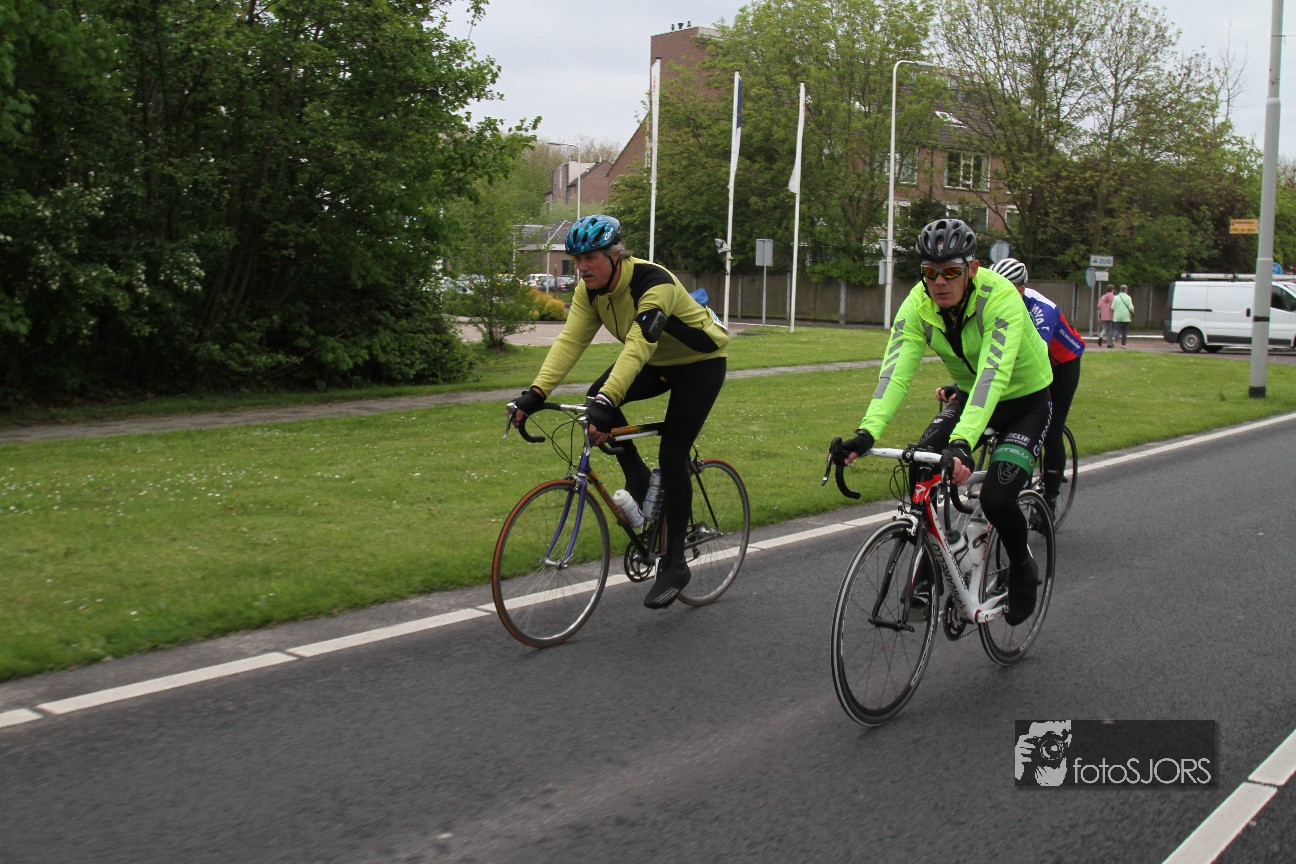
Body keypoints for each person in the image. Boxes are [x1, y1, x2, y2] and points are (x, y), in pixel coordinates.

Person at [834, 218, 1053, 625]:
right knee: (921, 460)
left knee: (997, 499)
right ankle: (931, 562)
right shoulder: (918, 303)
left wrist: (963, 441)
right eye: (930, 272)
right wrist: (867, 432)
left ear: (972, 269)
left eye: (951, 271)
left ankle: (1023, 568)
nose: (939, 282)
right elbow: (896, 372)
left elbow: (993, 374)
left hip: (1025, 401)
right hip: (973, 395)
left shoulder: (1001, 297)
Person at [509, 215, 729, 609]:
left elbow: (639, 344)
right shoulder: (590, 291)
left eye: (590, 258)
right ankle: (639, 478)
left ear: (615, 255)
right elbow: (570, 341)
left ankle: (675, 564)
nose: (582, 267)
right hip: (657, 363)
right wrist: (536, 392)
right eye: (577, 259)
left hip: (700, 365)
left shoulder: (654, 283)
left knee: (672, 453)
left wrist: (608, 402)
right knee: (597, 397)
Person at [986, 258, 1084, 514]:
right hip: (1029, 365)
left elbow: (1034, 357)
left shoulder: (1042, 309)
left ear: (1020, 290)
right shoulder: (993, 305)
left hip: (1061, 364)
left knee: (1050, 428)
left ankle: (1049, 499)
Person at [1111, 284, 1134, 348]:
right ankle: (1123, 345)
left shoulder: (1115, 297)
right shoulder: (1128, 298)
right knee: (1125, 330)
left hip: (1117, 316)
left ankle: (1114, 337)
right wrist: (1132, 311)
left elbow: (1112, 307)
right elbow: (1131, 308)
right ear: (1126, 290)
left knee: (1117, 329)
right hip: (1126, 317)